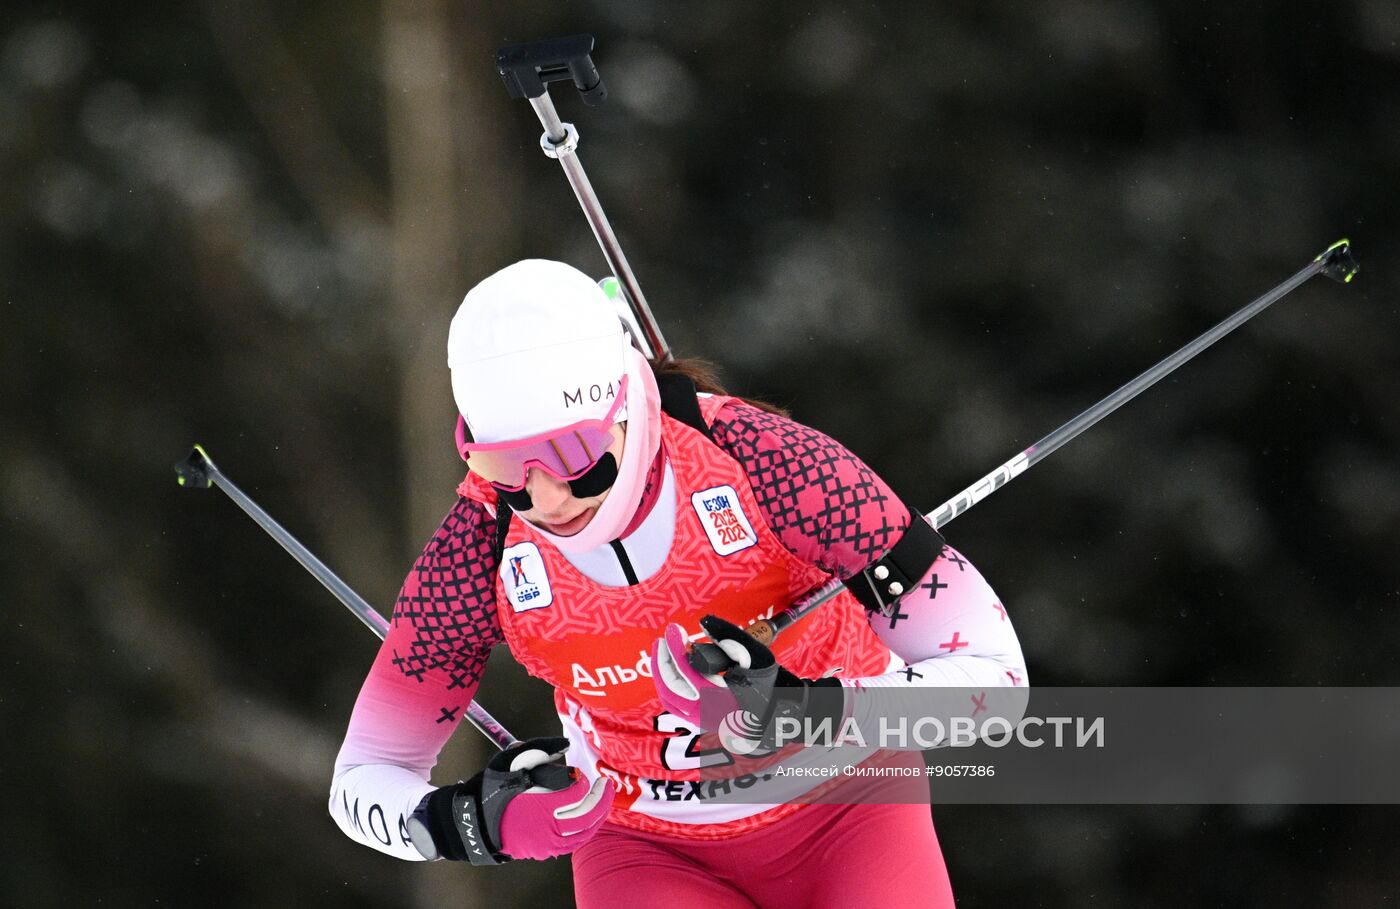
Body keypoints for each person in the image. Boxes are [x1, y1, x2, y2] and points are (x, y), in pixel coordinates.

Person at [330, 259, 1028, 908]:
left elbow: (998, 685)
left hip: (850, 806)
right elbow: (361, 778)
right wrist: (472, 822)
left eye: (573, 455)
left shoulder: (773, 468)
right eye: (504, 466)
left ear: (626, 408)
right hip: (645, 846)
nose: (543, 497)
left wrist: (802, 712)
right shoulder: (478, 548)